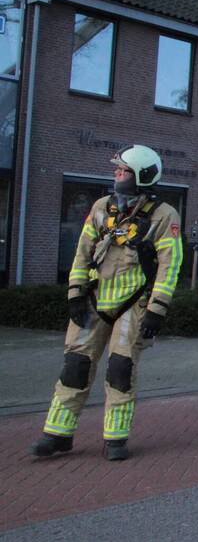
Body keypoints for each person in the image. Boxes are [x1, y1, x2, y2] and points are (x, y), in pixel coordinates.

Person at [30, 145, 183, 461]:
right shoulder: (102, 207)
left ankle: (115, 439)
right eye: (117, 170)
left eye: (123, 170)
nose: (117, 174)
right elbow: (82, 252)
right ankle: (57, 434)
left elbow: (171, 264)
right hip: (93, 300)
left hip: (134, 303)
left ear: (141, 176)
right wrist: (75, 293)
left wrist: (157, 308)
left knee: (120, 368)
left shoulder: (164, 215)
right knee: (75, 365)